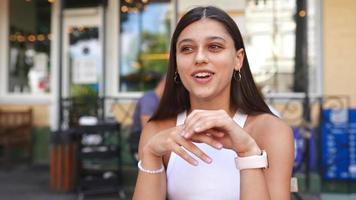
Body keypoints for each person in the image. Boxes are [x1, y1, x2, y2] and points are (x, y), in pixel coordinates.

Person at [133, 6, 294, 200]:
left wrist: (248, 152)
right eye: (187, 49)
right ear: (175, 63)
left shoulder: (270, 131)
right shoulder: (158, 132)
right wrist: (150, 154)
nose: (200, 58)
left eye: (214, 47)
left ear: (238, 59)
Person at [129, 76, 166, 160]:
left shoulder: (160, 100)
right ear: (163, 83)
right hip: (140, 140)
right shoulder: (149, 99)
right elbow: (146, 125)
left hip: (151, 139)